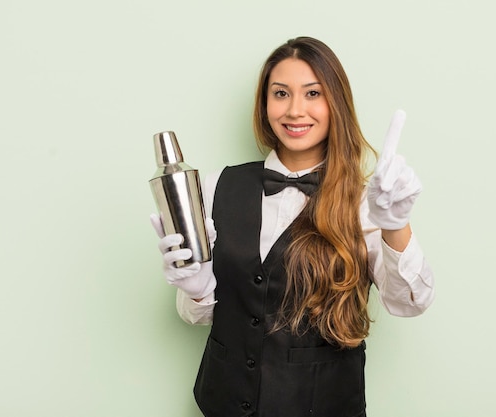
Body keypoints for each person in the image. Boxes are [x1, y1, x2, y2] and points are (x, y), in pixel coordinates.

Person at [150, 36, 434, 417]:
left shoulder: (368, 201)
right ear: (265, 104)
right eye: (281, 93)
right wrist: (197, 289)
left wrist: (396, 226)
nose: (295, 110)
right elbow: (195, 315)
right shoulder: (216, 186)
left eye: (313, 93)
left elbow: (410, 303)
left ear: (336, 104)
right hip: (221, 403)